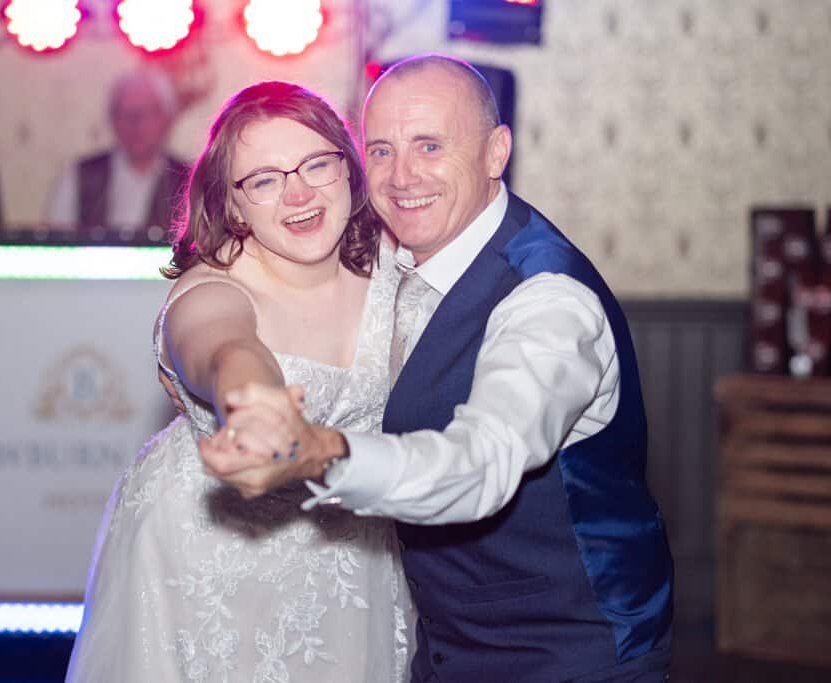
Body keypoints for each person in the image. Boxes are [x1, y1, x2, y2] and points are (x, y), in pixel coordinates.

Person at [200, 54, 675, 682]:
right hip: (443, 649)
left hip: (571, 656)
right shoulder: (391, 255)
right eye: (382, 150)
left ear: (495, 152)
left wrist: (323, 454)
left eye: (429, 145)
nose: (402, 176)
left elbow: (478, 465)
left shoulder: (548, 303)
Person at [65, 81, 414, 682]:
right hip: (205, 564)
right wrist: (255, 406)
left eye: (316, 164)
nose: (298, 193)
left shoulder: (397, 264)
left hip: (354, 563)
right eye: (264, 180)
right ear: (232, 205)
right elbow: (224, 346)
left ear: (349, 170)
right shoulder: (212, 286)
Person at [44, 68, 188, 233]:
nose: (135, 123)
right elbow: (57, 240)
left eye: (146, 112)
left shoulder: (188, 182)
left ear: (168, 119)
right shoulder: (79, 176)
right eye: (125, 113)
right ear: (112, 119)